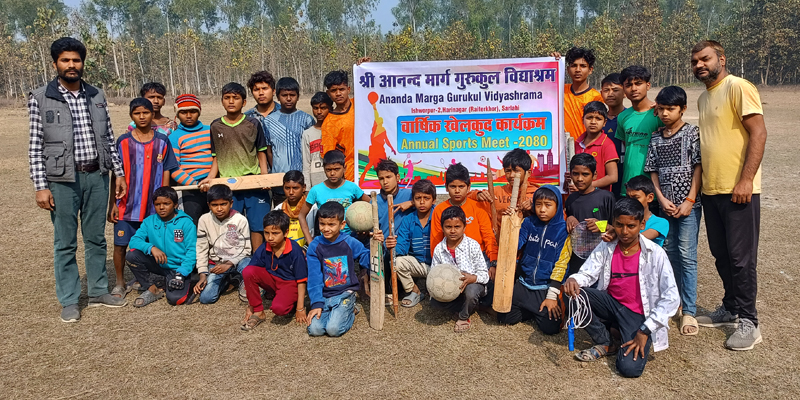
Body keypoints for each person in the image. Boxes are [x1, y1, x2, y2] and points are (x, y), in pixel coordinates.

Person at [28, 37, 128, 321]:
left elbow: (109, 138)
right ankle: (70, 299)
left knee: (96, 238)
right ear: (55, 63)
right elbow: (36, 145)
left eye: (76, 60)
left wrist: (118, 172)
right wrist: (40, 186)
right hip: (61, 180)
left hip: (97, 174)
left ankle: (97, 290)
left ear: (83, 63)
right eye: (65, 60)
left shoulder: (96, 95)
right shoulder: (40, 97)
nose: (71, 65)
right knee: (65, 241)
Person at [691, 40, 767, 350]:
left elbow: (759, 132)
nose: (699, 65)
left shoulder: (739, 87)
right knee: (721, 254)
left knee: (741, 259)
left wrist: (746, 179)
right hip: (712, 190)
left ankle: (749, 321)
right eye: (695, 61)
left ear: (721, 58)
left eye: (705, 59)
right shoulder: (703, 98)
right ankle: (731, 307)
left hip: (739, 190)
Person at [563, 198, 679, 378]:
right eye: (619, 225)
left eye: (631, 226)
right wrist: (573, 279)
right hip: (611, 304)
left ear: (642, 225)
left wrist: (644, 330)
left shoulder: (656, 254)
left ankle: (622, 332)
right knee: (573, 292)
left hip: (640, 316)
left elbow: (671, 297)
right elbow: (588, 273)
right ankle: (606, 341)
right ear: (613, 223)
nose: (624, 231)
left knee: (629, 369)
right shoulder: (607, 245)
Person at [644, 85, 702, 336]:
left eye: (671, 109)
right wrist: (660, 198)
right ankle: (671, 304)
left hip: (689, 205)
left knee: (687, 255)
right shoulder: (656, 137)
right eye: (662, 108)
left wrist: (689, 199)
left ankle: (689, 311)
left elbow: (698, 167)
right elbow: (652, 171)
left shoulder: (692, 134)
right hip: (664, 205)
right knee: (668, 255)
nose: (665, 113)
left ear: (683, 109)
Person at [108, 98, 177, 298]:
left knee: (154, 245)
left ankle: (146, 278)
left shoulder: (162, 141)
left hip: (152, 208)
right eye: (137, 113)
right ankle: (120, 282)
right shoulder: (122, 141)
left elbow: (166, 171)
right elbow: (116, 175)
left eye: (145, 113)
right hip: (126, 205)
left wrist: (166, 201)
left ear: (151, 114)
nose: (142, 116)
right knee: (121, 245)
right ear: (131, 116)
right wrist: (112, 203)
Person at [200, 82, 271, 251]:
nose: (231, 101)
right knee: (230, 225)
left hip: (253, 182)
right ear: (222, 101)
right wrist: (211, 177)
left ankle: (256, 259)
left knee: (257, 224)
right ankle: (232, 260)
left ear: (244, 102)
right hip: (228, 184)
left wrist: (264, 176)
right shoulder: (216, 125)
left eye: (236, 98)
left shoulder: (253, 123)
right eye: (227, 98)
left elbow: (261, 151)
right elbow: (216, 155)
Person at [497, 186, 571, 334]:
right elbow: (514, 245)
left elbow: (562, 265)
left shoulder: (564, 230)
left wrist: (551, 296)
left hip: (545, 287)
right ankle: (531, 309)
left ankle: (543, 307)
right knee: (504, 317)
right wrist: (509, 223)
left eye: (548, 205)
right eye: (538, 205)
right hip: (524, 283)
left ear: (558, 206)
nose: (542, 210)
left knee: (551, 328)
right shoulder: (529, 222)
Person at [306, 202, 377, 337]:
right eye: (322, 224)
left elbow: (367, 259)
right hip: (325, 295)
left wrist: (377, 245)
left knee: (333, 330)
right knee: (315, 330)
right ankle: (335, 311)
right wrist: (316, 303)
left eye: (331, 224)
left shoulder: (349, 242)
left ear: (342, 224)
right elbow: (314, 277)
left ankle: (351, 309)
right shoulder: (314, 246)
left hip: (345, 293)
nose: (326, 229)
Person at [126, 187, 197, 307]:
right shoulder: (149, 221)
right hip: (159, 263)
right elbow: (134, 240)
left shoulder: (186, 223)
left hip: (177, 267)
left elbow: (192, 251)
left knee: (176, 300)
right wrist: (151, 248)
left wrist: (182, 273)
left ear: (175, 205)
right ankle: (152, 289)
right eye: (157, 204)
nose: (162, 207)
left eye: (166, 203)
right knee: (132, 255)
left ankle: (179, 280)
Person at [241, 211, 309, 331]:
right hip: (272, 280)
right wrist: (251, 305)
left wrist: (300, 308)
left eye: (275, 233)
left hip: (289, 283)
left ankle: (290, 301)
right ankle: (258, 311)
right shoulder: (264, 247)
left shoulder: (295, 250)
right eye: (266, 233)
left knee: (279, 309)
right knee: (247, 271)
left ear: (286, 232)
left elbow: (301, 280)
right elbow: (251, 272)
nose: (270, 237)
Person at [430, 206, 490, 333]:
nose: (452, 231)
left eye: (457, 227)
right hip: (451, 288)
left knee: (471, 292)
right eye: (448, 227)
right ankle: (473, 305)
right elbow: (434, 272)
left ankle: (464, 316)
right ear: (442, 228)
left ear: (464, 227)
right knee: (435, 303)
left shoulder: (473, 245)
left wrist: (472, 278)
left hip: (472, 284)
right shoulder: (439, 249)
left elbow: (484, 274)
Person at [430, 163, 498, 271]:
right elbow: (436, 240)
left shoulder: (478, 206)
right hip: (450, 260)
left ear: (468, 187)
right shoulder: (439, 209)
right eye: (453, 186)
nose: (457, 191)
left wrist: (493, 262)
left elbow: (488, 237)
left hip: (479, 258)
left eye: (461, 186)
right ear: (446, 187)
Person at [194, 184, 252, 304]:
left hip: (237, 261)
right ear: (209, 205)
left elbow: (246, 249)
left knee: (247, 265)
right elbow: (201, 249)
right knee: (206, 298)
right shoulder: (204, 220)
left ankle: (244, 281)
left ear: (231, 203)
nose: (219, 209)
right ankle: (225, 281)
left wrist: (229, 263)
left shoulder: (240, 220)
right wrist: (203, 274)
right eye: (214, 205)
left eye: (223, 204)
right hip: (216, 264)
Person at [263, 77, 315, 206]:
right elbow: (268, 150)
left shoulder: (306, 119)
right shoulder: (269, 121)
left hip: (302, 181)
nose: (288, 98)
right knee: (282, 218)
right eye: (284, 95)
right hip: (279, 181)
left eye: (292, 95)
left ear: (298, 96)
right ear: (278, 96)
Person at [384, 179, 436, 308]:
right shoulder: (408, 219)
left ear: (433, 200)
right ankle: (415, 291)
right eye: (418, 198)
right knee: (396, 262)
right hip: (418, 263)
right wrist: (392, 246)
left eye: (426, 198)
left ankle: (436, 291)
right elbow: (402, 246)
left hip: (438, 264)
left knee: (440, 298)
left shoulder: (439, 215)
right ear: (413, 200)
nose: (422, 202)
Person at [298, 150, 369, 242]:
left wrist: (365, 226)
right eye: (328, 170)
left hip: (350, 237)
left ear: (344, 168)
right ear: (324, 169)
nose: (332, 173)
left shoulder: (352, 187)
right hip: (326, 239)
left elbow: (371, 205)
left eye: (336, 169)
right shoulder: (316, 190)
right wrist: (309, 241)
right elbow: (301, 215)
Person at [616, 65, 663, 196]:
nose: (634, 88)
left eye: (638, 83)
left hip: (653, 189)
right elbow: (627, 145)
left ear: (648, 85)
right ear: (624, 89)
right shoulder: (622, 117)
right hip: (629, 187)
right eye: (629, 85)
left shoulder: (659, 114)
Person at [565, 153, 615, 276]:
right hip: (577, 261)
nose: (580, 179)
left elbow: (618, 229)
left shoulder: (606, 197)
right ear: (570, 174)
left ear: (595, 175)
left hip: (601, 260)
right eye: (575, 174)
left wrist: (602, 226)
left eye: (585, 174)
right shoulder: (571, 200)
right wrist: (569, 218)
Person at [470, 148, 538, 234]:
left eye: (516, 171)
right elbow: (464, 196)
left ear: (528, 173)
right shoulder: (497, 191)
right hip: (500, 242)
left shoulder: (537, 194)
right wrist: (478, 194)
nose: (511, 175)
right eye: (508, 171)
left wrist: (534, 208)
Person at [168, 94, 212, 224]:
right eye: (183, 112)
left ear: (199, 112)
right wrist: (194, 184)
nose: (188, 115)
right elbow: (175, 168)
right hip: (191, 188)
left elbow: (218, 157)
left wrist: (211, 179)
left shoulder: (210, 131)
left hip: (213, 183)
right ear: (177, 113)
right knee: (193, 223)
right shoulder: (174, 137)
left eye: (193, 111)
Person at [554, 47, 604, 140]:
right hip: (561, 148)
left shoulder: (596, 97)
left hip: (584, 147)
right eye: (574, 65)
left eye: (583, 66)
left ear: (590, 70)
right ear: (568, 69)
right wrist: (551, 62)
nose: (578, 69)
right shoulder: (559, 91)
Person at [320, 70, 357, 181]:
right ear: (328, 93)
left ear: (348, 89)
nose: (338, 93)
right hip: (350, 176)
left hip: (374, 169)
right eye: (334, 90)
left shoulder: (360, 103)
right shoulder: (329, 123)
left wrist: (367, 67)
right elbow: (330, 157)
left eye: (341, 89)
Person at [574, 101, 619, 191]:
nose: (593, 122)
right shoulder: (577, 143)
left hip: (599, 196)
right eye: (589, 118)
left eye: (598, 118)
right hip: (579, 196)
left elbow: (613, 177)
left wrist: (588, 185)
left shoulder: (607, 144)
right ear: (583, 119)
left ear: (604, 122)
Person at [273, 170, 317, 247]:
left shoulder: (313, 208)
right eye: (287, 188)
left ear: (304, 188)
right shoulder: (278, 209)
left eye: (295, 188)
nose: (291, 192)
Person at [600, 73, 627, 196]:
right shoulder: (597, 120)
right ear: (601, 93)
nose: (610, 94)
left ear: (625, 93)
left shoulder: (630, 117)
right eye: (606, 90)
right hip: (603, 181)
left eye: (615, 90)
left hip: (626, 176)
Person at [358, 100, 398, 185]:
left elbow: (387, 140)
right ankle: (361, 180)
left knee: (383, 168)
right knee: (369, 166)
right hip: (374, 150)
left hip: (381, 151)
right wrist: (374, 108)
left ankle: (381, 183)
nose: (379, 122)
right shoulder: (375, 129)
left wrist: (392, 148)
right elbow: (376, 116)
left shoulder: (383, 130)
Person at [624, 176, 669, 246]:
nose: (630, 201)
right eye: (627, 197)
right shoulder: (623, 220)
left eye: (635, 198)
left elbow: (637, 240)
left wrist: (613, 232)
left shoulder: (660, 223)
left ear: (650, 198)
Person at [302, 92, 332, 188]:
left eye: (323, 108)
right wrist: (307, 188)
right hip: (316, 182)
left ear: (330, 108)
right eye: (315, 108)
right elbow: (306, 163)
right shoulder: (307, 134)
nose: (319, 112)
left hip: (335, 181)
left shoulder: (335, 130)